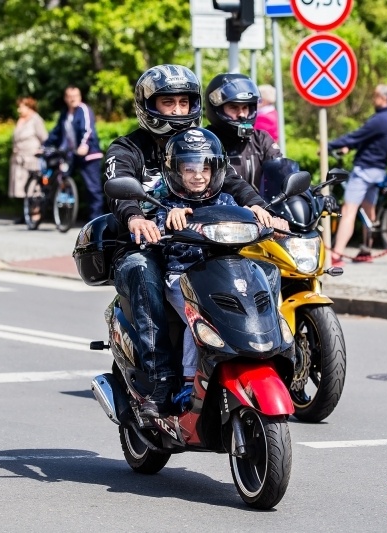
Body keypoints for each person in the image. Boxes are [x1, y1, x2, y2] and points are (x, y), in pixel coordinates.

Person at [104, 64, 280, 417]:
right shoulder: (127, 148)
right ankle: (161, 382)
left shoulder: (200, 143)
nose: (179, 111)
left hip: (197, 244)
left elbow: (231, 181)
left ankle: (264, 352)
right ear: (148, 105)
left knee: (261, 267)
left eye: (185, 103)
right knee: (143, 271)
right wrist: (136, 217)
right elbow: (119, 188)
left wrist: (261, 208)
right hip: (145, 246)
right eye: (169, 103)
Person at [153, 128, 238, 410]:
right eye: (189, 168)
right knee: (197, 317)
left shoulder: (226, 201)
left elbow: (247, 220)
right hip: (182, 276)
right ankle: (189, 382)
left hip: (222, 272)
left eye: (205, 168)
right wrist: (168, 218)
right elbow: (150, 227)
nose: (198, 175)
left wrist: (265, 220)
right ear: (176, 171)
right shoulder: (167, 203)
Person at [327, 84, 387, 267]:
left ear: (383, 99)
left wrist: (330, 145)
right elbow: (370, 140)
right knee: (369, 210)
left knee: (348, 211)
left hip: (365, 170)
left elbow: (356, 135)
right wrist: (350, 147)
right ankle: (366, 250)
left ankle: (337, 254)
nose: (373, 99)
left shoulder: (379, 119)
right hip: (378, 170)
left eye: (375, 96)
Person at [204, 73, 282, 196]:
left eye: (245, 107)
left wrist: (304, 194)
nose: (242, 114)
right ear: (217, 108)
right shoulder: (205, 141)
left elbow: (281, 172)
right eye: (234, 107)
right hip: (219, 213)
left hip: (261, 211)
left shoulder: (261, 140)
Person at [46, 85, 105, 221]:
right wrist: (45, 145)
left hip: (88, 154)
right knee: (62, 176)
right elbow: (57, 132)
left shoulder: (83, 110)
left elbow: (88, 129)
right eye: (70, 96)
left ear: (80, 97)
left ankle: (96, 221)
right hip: (71, 154)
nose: (73, 99)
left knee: (93, 189)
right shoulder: (65, 113)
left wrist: (84, 146)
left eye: (75, 96)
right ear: (65, 98)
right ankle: (61, 208)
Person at [9, 96, 48, 224]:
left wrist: (42, 151)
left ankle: (35, 214)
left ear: (29, 107)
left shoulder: (36, 120)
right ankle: (25, 214)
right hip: (18, 157)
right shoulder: (20, 120)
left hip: (31, 158)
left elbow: (44, 138)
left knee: (33, 188)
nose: (18, 109)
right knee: (22, 187)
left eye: (21, 106)